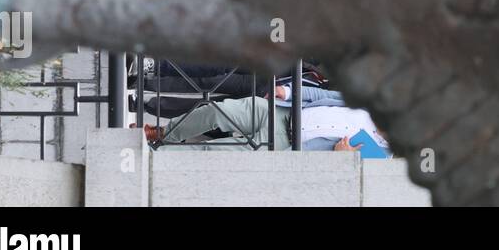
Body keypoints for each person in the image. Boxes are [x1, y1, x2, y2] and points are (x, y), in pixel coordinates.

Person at [140, 86, 392, 156]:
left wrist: (341, 159)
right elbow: (322, 95)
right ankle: (163, 134)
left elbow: (341, 184)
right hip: (282, 112)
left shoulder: (379, 158)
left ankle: (156, 157)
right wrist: (290, 92)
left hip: (284, 145)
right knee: (218, 111)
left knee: (214, 150)